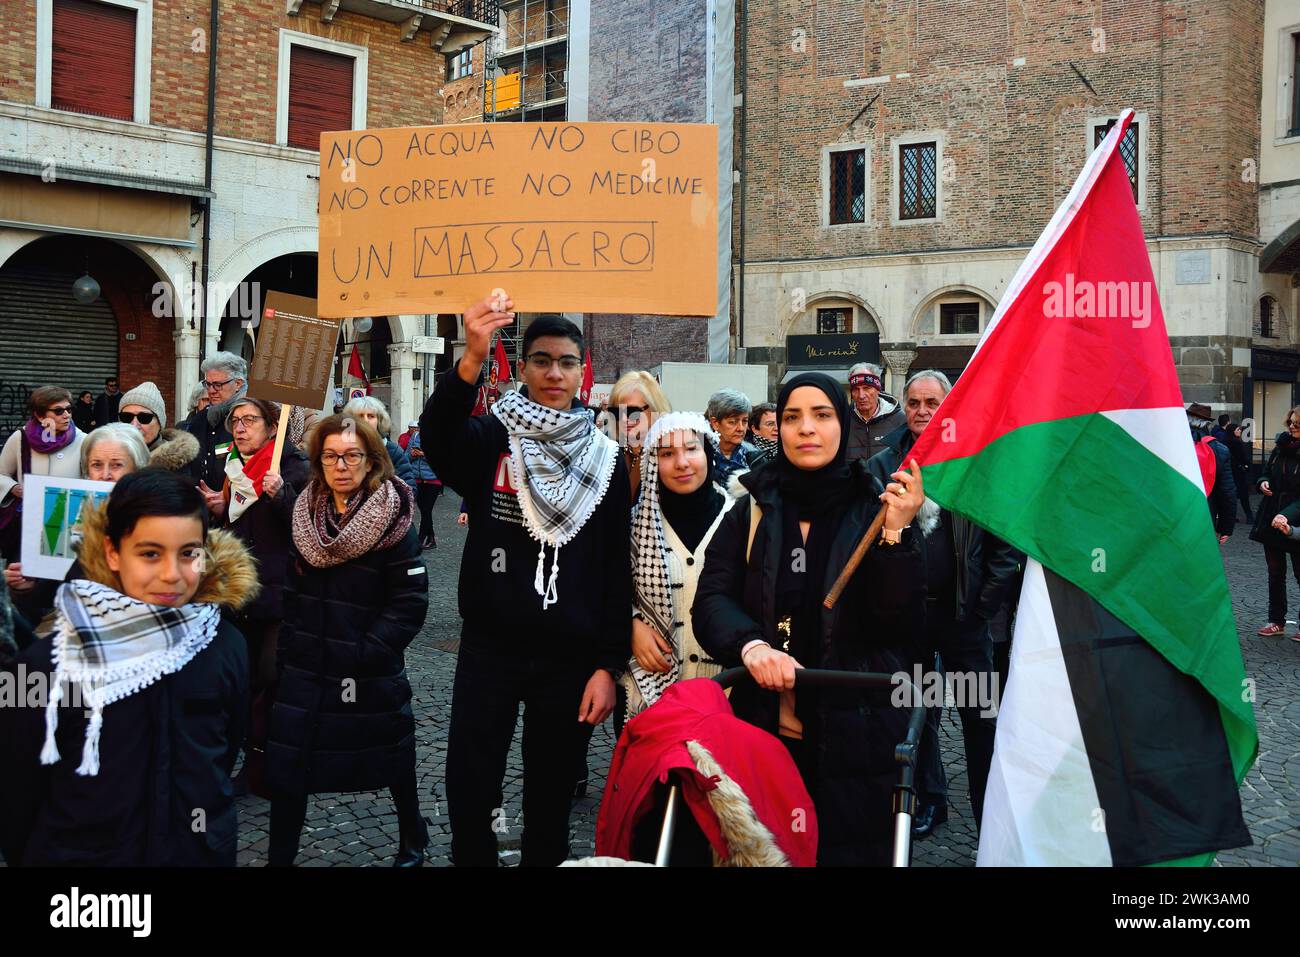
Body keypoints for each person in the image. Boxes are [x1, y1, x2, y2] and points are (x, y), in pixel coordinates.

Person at [423, 299, 631, 867]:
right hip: (491, 648)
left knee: (552, 793)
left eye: (566, 362)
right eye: (541, 361)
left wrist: (608, 665)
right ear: (523, 367)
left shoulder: (608, 460)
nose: (554, 374)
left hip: (571, 656)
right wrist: (471, 356)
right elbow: (438, 440)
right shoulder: (492, 437)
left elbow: (617, 567)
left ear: (581, 369)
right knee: (471, 782)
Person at [693, 372, 927, 866]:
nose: (806, 429)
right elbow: (712, 601)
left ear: (841, 423)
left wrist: (894, 538)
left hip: (856, 744)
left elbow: (900, 622)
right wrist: (752, 646)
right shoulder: (751, 509)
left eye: (821, 415)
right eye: (793, 417)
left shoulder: (877, 506)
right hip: (764, 739)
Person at [0, 468, 254, 866]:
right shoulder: (41, 667)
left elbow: (223, 752)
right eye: (150, 553)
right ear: (113, 552)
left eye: (189, 553)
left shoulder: (224, 645)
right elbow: (17, 793)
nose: (172, 574)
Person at [265, 414, 429, 867]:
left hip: (365, 666)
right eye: (331, 455)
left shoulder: (392, 516)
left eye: (352, 455)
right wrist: (292, 645)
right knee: (289, 763)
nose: (341, 465)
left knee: (392, 754)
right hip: (307, 664)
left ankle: (412, 835)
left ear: (371, 460)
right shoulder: (305, 509)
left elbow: (410, 600)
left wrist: (368, 650)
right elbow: (292, 587)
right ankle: (280, 857)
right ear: (319, 461)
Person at [867, 370, 1020, 838]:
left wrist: (980, 606)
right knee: (917, 716)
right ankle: (928, 804)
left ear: (949, 405)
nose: (921, 411)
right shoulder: (882, 462)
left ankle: (991, 814)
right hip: (909, 621)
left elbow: (1006, 545)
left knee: (981, 721)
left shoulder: (977, 461)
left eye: (932, 402)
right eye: (913, 402)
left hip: (964, 622)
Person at [203, 397, 310, 724]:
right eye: (235, 420)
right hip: (237, 588)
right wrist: (221, 511)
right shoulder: (231, 465)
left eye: (249, 420)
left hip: (277, 588)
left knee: (269, 675)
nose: (239, 427)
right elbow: (236, 521)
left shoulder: (293, 466)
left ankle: (262, 754)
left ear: (272, 428)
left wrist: (281, 496)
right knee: (240, 673)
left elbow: (304, 527)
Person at [625, 412, 735, 718]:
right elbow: (606, 590)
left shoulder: (740, 519)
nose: (682, 462)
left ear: (708, 454)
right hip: (653, 697)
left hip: (729, 694)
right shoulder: (635, 526)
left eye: (691, 449)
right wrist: (629, 623)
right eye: (667, 454)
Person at [3, 423, 151, 623]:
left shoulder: (155, 519)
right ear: (86, 470)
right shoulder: (60, 512)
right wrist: (26, 586)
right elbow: (45, 597)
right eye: (97, 465)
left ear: (137, 470)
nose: (105, 475)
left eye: (117, 465)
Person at [0, 386, 87, 560]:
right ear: (40, 416)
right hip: (28, 525)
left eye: (69, 409)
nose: (67, 415)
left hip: (67, 525)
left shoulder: (83, 440)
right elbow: (1, 474)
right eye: (58, 410)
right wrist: (13, 487)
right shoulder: (20, 438)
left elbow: (91, 480)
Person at [1251, 408, 1300, 637]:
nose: (1291, 427)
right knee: (1275, 573)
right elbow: (1265, 471)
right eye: (1290, 422)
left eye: (1297, 424)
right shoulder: (1280, 446)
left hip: (1295, 520)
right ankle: (1276, 621)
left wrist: (1287, 515)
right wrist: (1263, 482)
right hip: (1272, 516)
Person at [184, 352, 249, 492]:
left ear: (238, 384)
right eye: (208, 384)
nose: (211, 391)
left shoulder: (250, 420)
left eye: (218, 385)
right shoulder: (199, 419)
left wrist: (224, 498)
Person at [606, 371, 671, 501]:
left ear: (654, 409)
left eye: (632, 411)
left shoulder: (668, 453)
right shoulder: (611, 453)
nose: (624, 419)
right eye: (617, 412)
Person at [118, 380, 201, 476]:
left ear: (159, 423)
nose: (134, 425)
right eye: (126, 417)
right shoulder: (108, 455)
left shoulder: (179, 466)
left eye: (144, 418)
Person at [1187, 403, 1236, 543]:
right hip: (1205, 515)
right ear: (1207, 424)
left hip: (1173, 516)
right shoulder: (1219, 449)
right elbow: (1227, 492)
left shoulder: (1172, 443)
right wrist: (1225, 527)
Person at [342, 396, 417, 486]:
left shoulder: (392, 450)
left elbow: (408, 488)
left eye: (371, 416)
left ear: (379, 421)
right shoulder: (339, 448)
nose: (366, 420)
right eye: (360, 416)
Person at [845, 362, 906, 463]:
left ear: (878, 389)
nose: (861, 395)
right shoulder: (843, 420)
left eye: (867, 388)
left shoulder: (900, 420)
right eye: (856, 389)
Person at [706, 388, 758, 486]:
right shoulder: (700, 457)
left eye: (745, 421)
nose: (741, 428)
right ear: (715, 423)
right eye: (732, 422)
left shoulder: (755, 457)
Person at [407, 426, 442, 549]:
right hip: (417, 479)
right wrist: (412, 454)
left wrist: (423, 454)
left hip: (433, 479)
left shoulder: (438, 437)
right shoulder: (415, 437)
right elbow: (407, 457)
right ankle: (431, 537)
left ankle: (421, 537)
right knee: (423, 509)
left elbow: (440, 459)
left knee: (427, 509)